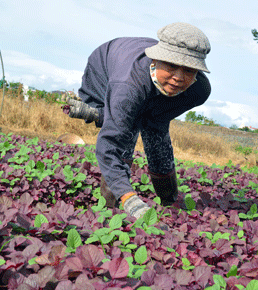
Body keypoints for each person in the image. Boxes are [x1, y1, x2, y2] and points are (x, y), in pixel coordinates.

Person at [64, 22, 211, 219]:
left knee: (156, 135)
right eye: (172, 65)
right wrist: (130, 199)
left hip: (135, 92)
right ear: (157, 58)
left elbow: (158, 119)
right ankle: (110, 209)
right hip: (105, 68)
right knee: (125, 131)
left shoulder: (198, 91)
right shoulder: (127, 86)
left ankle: (169, 201)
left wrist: (152, 122)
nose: (178, 77)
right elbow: (110, 145)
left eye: (188, 70)